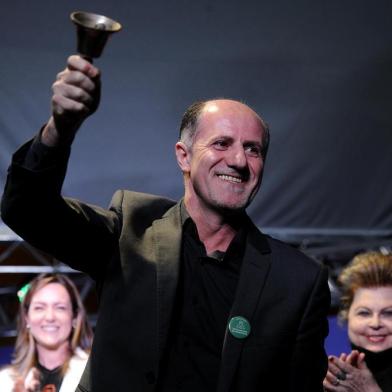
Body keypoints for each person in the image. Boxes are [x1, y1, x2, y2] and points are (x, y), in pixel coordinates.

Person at [1, 55, 330, 391]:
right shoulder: (130, 230)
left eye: (253, 149)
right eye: (221, 143)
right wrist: (60, 129)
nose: (238, 160)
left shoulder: (297, 280)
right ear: (183, 156)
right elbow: (26, 210)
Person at [0, 273, 93, 392]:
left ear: (74, 317)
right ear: (26, 318)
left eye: (60, 307)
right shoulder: (5, 382)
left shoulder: (95, 372)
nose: (49, 317)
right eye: (39, 307)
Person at [323, 251, 392, 392]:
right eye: (364, 313)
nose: (375, 323)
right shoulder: (337, 379)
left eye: (389, 313)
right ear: (347, 316)